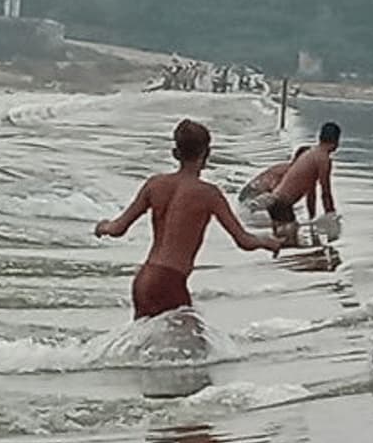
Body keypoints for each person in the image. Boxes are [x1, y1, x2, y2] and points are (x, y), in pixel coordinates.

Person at [95, 119, 282, 320]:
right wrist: (267, 242)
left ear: (175, 154)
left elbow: (118, 228)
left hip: (143, 279)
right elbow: (243, 241)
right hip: (170, 281)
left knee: (145, 344)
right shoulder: (209, 194)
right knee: (195, 345)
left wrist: (103, 226)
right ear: (207, 154)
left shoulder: (154, 184)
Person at [259, 122, 340, 246]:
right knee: (289, 246)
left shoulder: (311, 153)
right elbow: (325, 192)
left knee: (283, 245)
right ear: (336, 141)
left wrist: (312, 219)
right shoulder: (323, 159)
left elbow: (311, 193)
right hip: (283, 204)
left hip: (275, 201)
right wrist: (332, 216)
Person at [238, 145, 310, 205]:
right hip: (252, 195)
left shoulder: (289, 168)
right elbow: (272, 190)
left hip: (251, 194)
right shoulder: (288, 172)